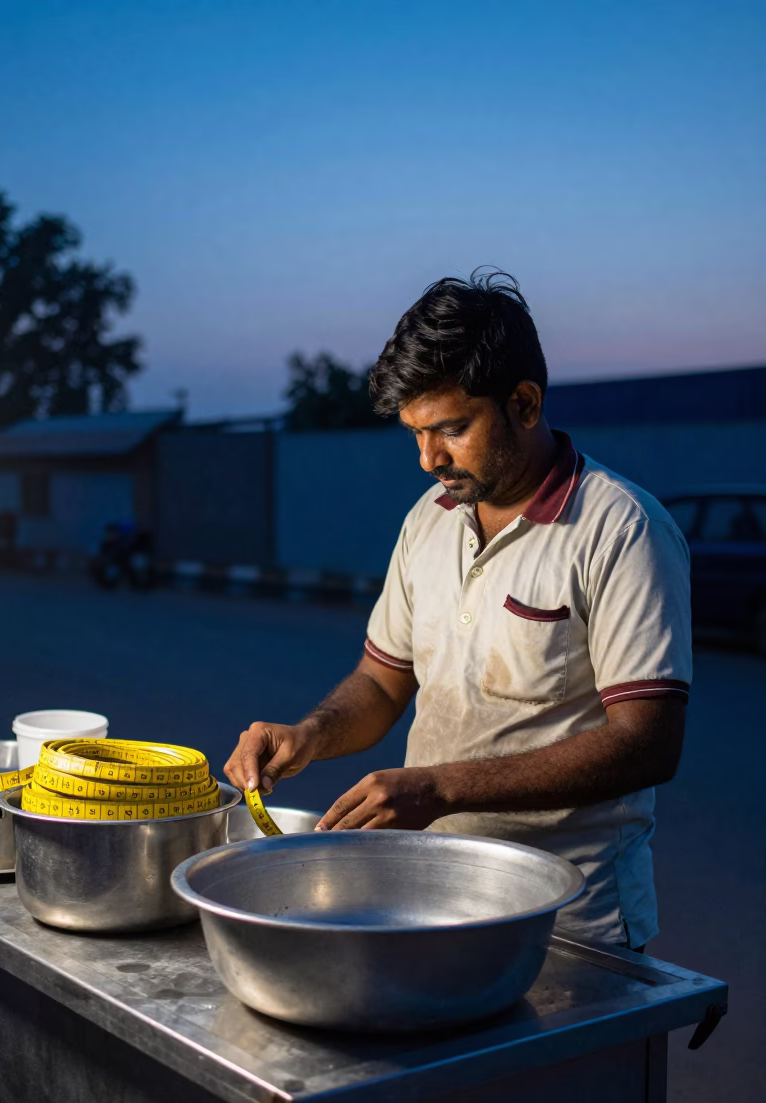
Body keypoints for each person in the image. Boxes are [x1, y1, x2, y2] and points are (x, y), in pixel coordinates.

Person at [224, 271, 691, 950]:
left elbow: (647, 744)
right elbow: (383, 682)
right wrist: (309, 736)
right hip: (430, 903)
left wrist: (439, 789)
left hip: (568, 922)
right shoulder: (431, 518)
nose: (428, 459)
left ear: (524, 403)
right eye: (415, 434)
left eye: (451, 429)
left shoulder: (621, 531)